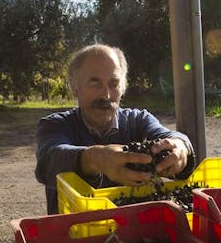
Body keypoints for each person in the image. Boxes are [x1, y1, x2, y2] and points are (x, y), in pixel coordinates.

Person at [35, 44, 196, 214]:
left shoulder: (138, 120)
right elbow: (48, 162)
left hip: (134, 231)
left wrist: (181, 146)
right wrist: (96, 158)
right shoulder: (55, 125)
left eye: (114, 84)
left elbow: (167, 136)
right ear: (75, 87)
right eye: (95, 84)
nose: (106, 95)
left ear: (123, 88)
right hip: (73, 233)